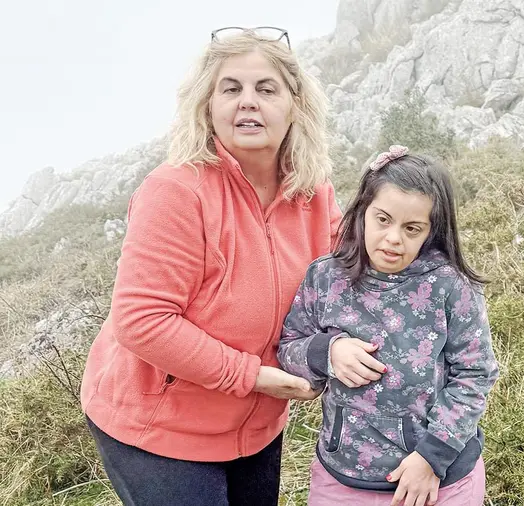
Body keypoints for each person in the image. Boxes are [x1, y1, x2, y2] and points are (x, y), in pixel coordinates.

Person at [79, 27, 342, 506]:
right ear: (208, 106)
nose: (248, 101)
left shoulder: (313, 192)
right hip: (159, 429)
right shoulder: (177, 191)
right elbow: (142, 321)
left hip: (257, 423)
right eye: (231, 88)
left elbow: (352, 275)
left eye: (266, 89)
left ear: (295, 105)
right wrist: (251, 376)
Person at [278, 145, 501, 506]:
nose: (394, 238)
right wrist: (327, 352)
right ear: (363, 212)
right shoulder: (325, 277)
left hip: (438, 482)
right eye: (383, 219)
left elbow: (475, 373)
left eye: (412, 228)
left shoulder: (450, 285)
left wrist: (432, 458)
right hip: (343, 480)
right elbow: (289, 347)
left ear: (431, 230)